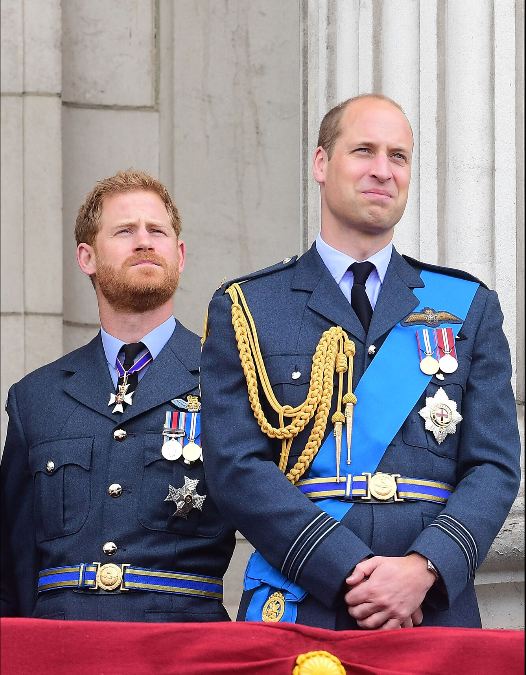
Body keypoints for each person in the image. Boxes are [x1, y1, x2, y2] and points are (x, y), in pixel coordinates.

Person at [199, 94, 521, 630]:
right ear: (321, 164)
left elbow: (494, 465)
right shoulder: (250, 306)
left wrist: (424, 568)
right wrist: (348, 568)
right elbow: (234, 466)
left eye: (398, 156)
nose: (383, 170)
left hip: (429, 608)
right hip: (306, 597)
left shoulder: (468, 306)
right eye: (364, 151)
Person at [1, 170, 235, 622]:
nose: (144, 241)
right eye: (125, 231)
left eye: (157, 231)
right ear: (87, 257)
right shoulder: (36, 398)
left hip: (183, 649)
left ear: (179, 254)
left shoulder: (231, 381)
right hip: (63, 651)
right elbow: (11, 567)